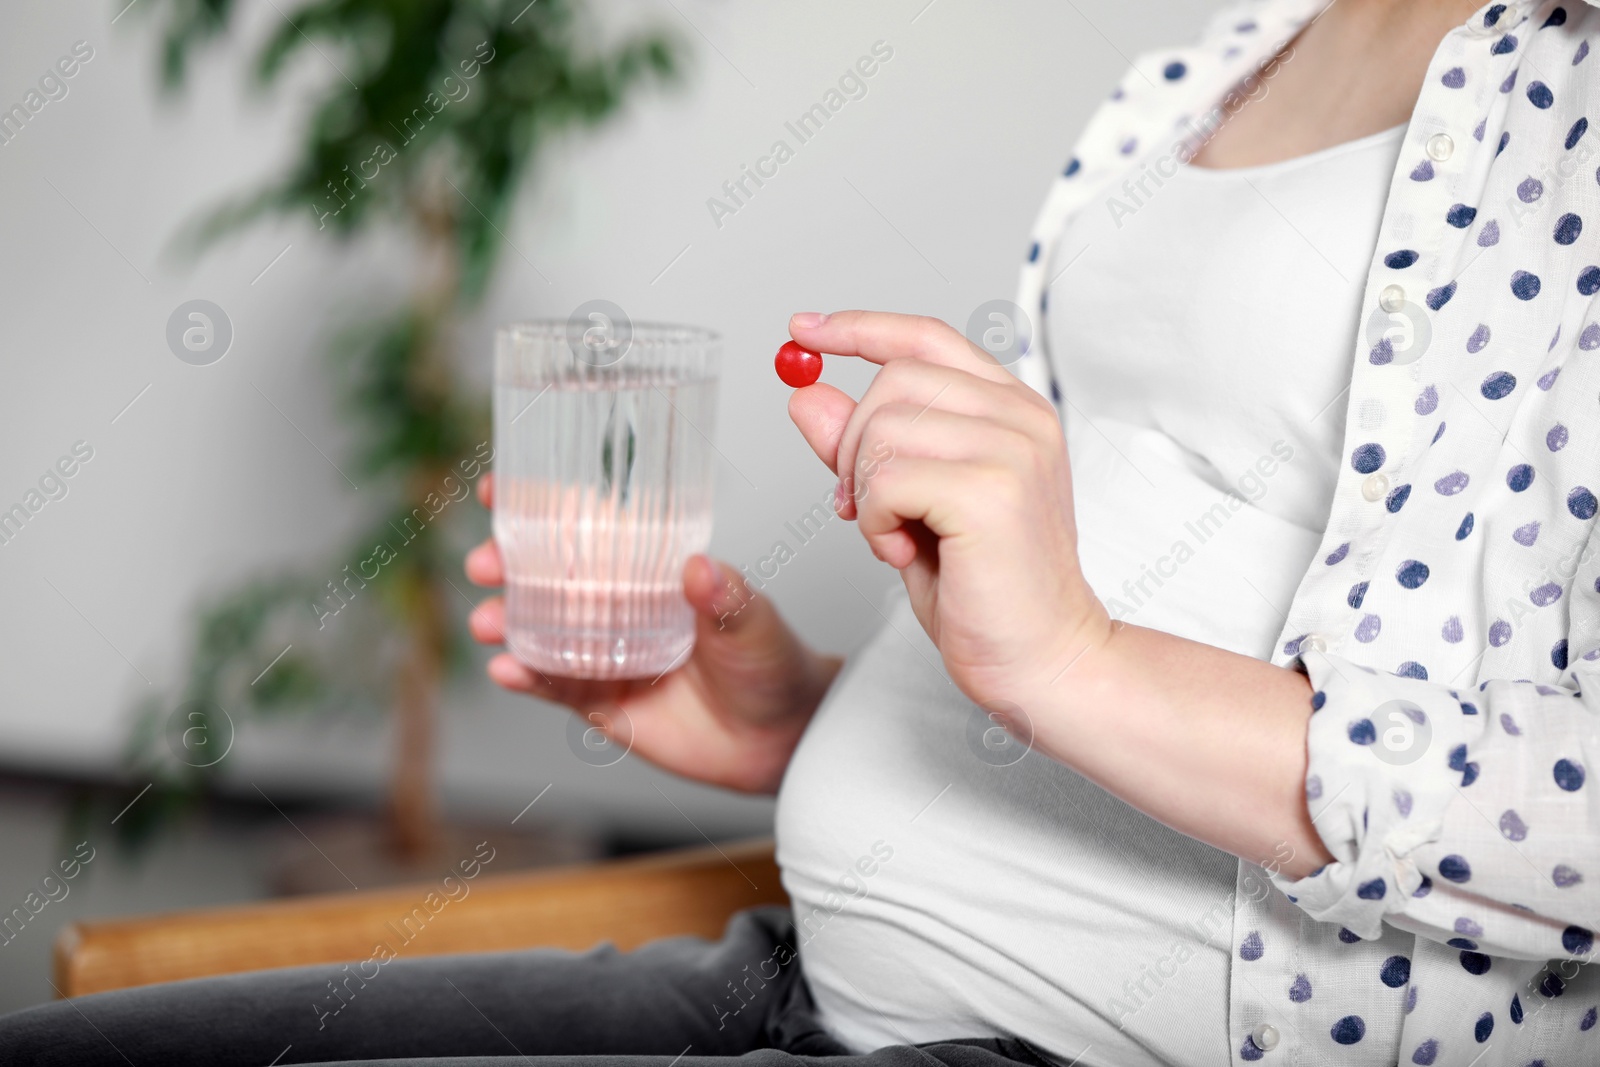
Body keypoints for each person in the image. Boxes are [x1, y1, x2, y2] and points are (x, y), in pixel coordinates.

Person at [3, 0, 1596, 1064]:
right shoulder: (1245, 40)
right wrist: (812, 712)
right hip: (796, 972)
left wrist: (1073, 663)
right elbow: (1121, 532)